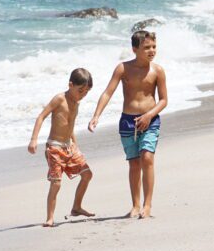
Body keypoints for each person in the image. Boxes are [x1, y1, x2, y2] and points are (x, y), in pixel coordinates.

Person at [87, 30, 168, 218]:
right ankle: (135, 205)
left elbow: (163, 100)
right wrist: (96, 115)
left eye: (154, 47)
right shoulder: (123, 68)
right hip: (127, 122)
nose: (151, 50)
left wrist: (149, 115)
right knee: (134, 163)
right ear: (134, 49)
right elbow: (108, 92)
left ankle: (147, 205)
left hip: (150, 120)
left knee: (147, 158)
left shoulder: (158, 71)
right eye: (146, 47)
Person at [28, 68, 96, 227]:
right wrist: (33, 140)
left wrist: (75, 145)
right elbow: (41, 117)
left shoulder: (76, 103)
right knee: (56, 183)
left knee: (87, 175)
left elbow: (69, 125)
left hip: (69, 147)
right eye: (80, 90)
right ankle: (50, 218)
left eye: (86, 92)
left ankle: (76, 207)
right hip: (55, 148)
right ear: (70, 84)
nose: (83, 94)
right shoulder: (59, 99)